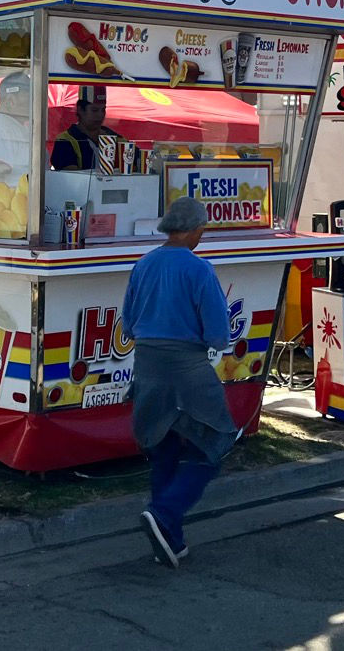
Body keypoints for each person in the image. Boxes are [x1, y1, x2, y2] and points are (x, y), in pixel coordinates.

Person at [125, 197, 234, 567]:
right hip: (186, 366)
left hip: (147, 363)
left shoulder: (143, 265)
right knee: (213, 444)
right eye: (201, 229)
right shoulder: (199, 269)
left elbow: (127, 322)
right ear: (191, 230)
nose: (202, 236)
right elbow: (218, 333)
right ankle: (165, 512)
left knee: (163, 445)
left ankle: (170, 539)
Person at [49, 87, 123, 170]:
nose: (100, 115)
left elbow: (137, 163)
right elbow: (71, 176)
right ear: (80, 110)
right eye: (94, 110)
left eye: (103, 109)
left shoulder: (117, 139)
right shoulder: (65, 140)